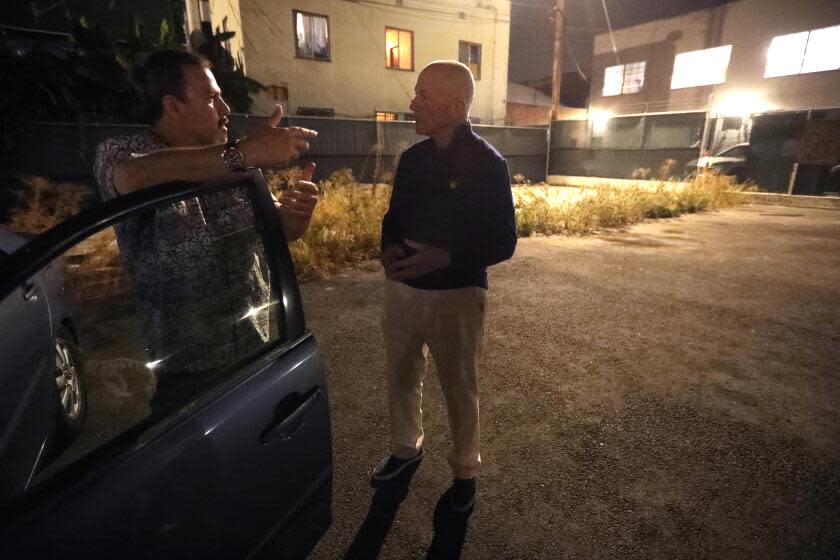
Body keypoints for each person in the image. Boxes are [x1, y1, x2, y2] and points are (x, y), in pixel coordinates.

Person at [93, 49, 318, 406]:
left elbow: (280, 229)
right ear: (174, 106)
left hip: (256, 347)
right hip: (186, 374)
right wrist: (243, 153)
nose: (226, 109)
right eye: (213, 98)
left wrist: (296, 215)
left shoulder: (234, 159)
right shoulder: (122, 152)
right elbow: (135, 176)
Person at [372, 60, 517, 512]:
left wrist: (448, 256)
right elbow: (393, 219)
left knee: (459, 387)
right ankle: (404, 450)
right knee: (401, 375)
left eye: (423, 96)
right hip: (403, 291)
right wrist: (389, 247)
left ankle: (465, 472)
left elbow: (503, 240)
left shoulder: (489, 164)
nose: (412, 103)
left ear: (456, 106)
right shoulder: (413, 159)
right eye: (415, 94)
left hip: (457, 295)